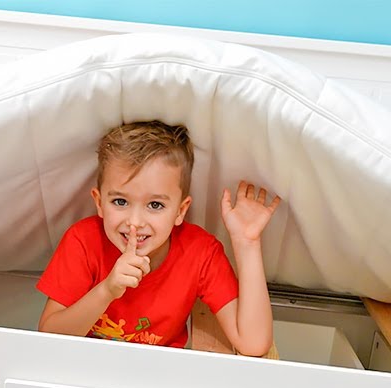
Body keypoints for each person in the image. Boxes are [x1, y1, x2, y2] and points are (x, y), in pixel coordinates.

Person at [37, 120, 278, 355]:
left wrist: (247, 243)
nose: (135, 222)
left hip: (160, 375)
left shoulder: (200, 252)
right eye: (120, 201)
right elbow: (49, 336)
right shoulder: (83, 241)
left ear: (180, 211)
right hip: (86, 368)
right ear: (99, 203)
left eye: (155, 205)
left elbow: (253, 343)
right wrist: (107, 291)